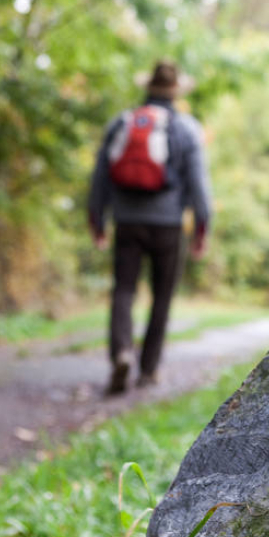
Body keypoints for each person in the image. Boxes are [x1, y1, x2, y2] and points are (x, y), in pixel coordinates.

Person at [87, 60, 212, 394]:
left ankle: (122, 353)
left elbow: (100, 176)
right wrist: (202, 227)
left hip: (126, 220)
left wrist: (96, 219)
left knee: (124, 290)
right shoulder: (186, 128)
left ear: (147, 88)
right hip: (168, 225)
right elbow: (199, 183)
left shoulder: (122, 122)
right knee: (162, 296)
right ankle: (148, 370)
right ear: (176, 92)